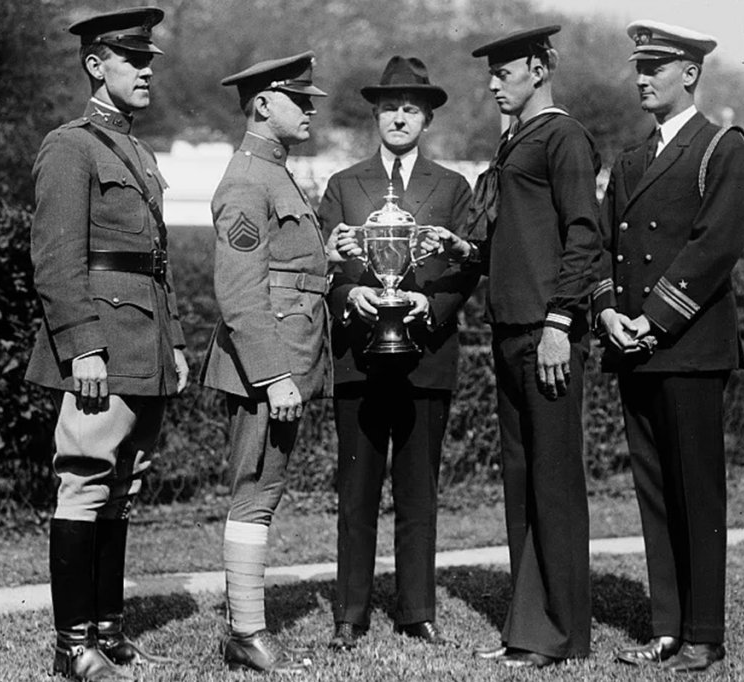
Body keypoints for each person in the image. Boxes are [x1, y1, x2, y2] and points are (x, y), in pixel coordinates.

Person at [24, 6, 188, 681]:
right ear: (96, 64)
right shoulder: (71, 146)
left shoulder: (137, 152)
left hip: (143, 345)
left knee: (123, 487)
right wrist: (82, 347)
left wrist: (172, 342)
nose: (148, 70)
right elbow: (56, 260)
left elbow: (155, 262)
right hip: (102, 348)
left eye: (150, 59)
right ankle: (73, 647)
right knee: (85, 483)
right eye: (133, 59)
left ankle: (109, 633)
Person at [593, 20, 744, 674]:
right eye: (638, 66)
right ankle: (667, 628)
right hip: (633, 346)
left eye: (655, 67)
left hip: (686, 346)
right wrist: (606, 310)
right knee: (655, 492)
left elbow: (715, 246)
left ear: (689, 73)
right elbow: (606, 245)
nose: (641, 78)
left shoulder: (722, 148)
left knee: (696, 493)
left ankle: (705, 632)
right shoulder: (631, 159)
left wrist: (653, 318)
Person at [437, 25, 602, 669]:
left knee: (554, 482)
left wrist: (561, 322)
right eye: (491, 74)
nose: (492, 83)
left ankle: (560, 634)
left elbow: (585, 237)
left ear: (538, 68)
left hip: (545, 333)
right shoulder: (514, 142)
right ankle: (527, 628)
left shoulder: (563, 136)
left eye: (503, 72)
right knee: (521, 482)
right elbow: (508, 237)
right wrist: (463, 250)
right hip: (508, 330)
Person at [317, 56, 478, 651]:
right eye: (390, 108)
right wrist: (349, 292)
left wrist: (430, 309)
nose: (400, 118)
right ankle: (350, 612)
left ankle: (417, 610)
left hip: (425, 357)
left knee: (418, 492)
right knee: (356, 493)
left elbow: (466, 270)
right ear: (375, 115)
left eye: (411, 108)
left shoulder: (452, 187)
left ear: (427, 117)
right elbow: (323, 262)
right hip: (359, 357)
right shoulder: (344, 184)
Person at [199, 51, 333, 675]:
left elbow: (290, 268)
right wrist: (275, 375)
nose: (310, 109)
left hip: (287, 356)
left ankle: (245, 629)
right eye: (298, 100)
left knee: (267, 488)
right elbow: (241, 292)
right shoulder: (247, 180)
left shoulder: (276, 173)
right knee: (254, 490)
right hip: (267, 365)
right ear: (261, 105)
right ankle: (245, 632)